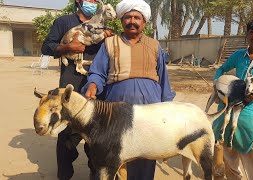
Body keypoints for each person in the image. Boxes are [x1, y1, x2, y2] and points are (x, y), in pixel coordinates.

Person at [81, 0, 175, 179]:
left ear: (144, 22)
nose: (132, 21)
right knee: (115, 154)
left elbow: (164, 81)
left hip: (149, 114)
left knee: (146, 155)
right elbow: (97, 73)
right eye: (128, 17)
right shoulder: (109, 44)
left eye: (137, 17)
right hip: (116, 114)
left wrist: (167, 110)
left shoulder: (155, 46)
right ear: (122, 21)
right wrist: (92, 85)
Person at [41, 0, 113, 179]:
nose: (93, 3)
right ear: (78, 2)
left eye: (96, 0)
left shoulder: (101, 25)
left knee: (96, 133)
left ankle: (96, 173)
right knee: (66, 133)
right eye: (90, 0)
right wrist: (67, 47)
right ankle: (64, 175)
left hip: (97, 85)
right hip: (71, 84)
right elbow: (46, 46)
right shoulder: (63, 22)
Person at [212, 16, 253, 180]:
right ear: (247, 33)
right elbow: (221, 70)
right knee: (228, 153)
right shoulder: (238, 55)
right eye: (251, 32)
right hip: (227, 111)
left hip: (250, 115)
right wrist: (218, 86)